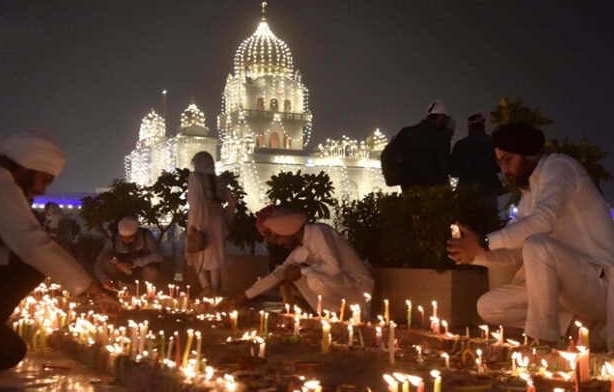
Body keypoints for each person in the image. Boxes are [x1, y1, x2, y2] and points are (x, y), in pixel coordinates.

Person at [447, 123, 614, 350]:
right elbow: (514, 253)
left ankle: (544, 343)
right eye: (499, 161)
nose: (503, 169)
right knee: (488, 306)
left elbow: (543, 221)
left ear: (527, 154)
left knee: (538, 245)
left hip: (597, 286)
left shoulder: (559, 168)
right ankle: (576, 328)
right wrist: (474, 254)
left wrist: (484, 242)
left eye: (507, 159)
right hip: (564, 290)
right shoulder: (529, 193)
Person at [0, 133, 119, 370]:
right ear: (27, 169)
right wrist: (94, 290)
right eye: (45, 180)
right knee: (9, 350)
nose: (42, 191)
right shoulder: (0, 181)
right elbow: (31, 243)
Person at [230, 208, 374, 317]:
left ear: (287, 231)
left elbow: (333, 268)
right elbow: (276, 275)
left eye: (278, 238)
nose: (279, 243)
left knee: (311, 277)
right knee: (288, 273)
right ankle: (331, 315)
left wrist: (301, 271)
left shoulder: (319, 231)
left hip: (359, 286)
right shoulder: (300, 250)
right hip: (343, 286)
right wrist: (236, 300)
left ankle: (346, 314)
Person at [186, 151, 235, 298]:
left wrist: (193, 225)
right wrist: (227, 219)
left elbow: (194, 203)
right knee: (215, 256)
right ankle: (214, 290)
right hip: (218, 222)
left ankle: (206, 287)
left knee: (196, 253)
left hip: (201, 220)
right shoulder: (218, 180)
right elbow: (232, 202)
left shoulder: (194, 177)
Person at [382, 100, 455, 191]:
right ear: (441, 117)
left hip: (409, 191)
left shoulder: (406, 132)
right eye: (446, 119)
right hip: (434, 196)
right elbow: (445, 168)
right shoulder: (441, 137)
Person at [450, 113, 503, 210]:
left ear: (469, 127)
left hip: (466, 192)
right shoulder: (493, 143)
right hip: (489, 191)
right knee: (490, 222)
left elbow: (454, 172)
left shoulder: (461, 145)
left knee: (466, 223)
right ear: (483, 126)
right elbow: (501, 166)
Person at [94, 217, 163, 290]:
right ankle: (119, 288)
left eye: (130, 237)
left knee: (152, 271)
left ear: (136, 233)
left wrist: (132, 263)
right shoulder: (113, 241)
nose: (126, 241)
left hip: (142, 272)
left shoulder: (145, 235)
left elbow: (159, 255)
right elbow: (99, 262)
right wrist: (104, 279)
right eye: (122, 237)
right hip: (121, 274)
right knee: (107, 259)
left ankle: (144, 291)